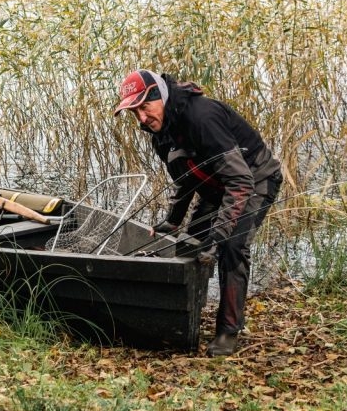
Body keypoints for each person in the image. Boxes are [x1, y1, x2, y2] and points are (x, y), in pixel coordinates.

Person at [113, 69, 283, 357]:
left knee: (231, 246)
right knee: (191, 243)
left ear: (161, 97)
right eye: (134, 111)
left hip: (255, 179)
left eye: (144, 106)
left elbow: (241, 181)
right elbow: (185, 180)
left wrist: (219, 233)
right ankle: (187, 314)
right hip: (216, 185)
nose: (141, 118)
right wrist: (173, 221)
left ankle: (229, 330)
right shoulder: (160, 133)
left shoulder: (202, 117)